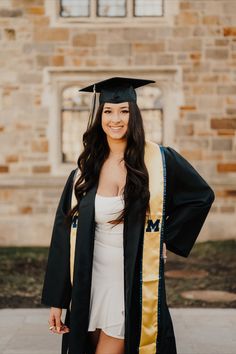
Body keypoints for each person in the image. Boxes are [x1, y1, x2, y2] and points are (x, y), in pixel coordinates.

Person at [41, 77, 215, 354]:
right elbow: (63, 234)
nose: (116, 119)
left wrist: (164, 238)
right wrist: (57, 300)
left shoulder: (160, 160)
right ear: (99, 116)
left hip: (129, 285)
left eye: (124, 111)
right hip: (89, 283)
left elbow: (200, 196)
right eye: (108, 111)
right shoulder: (86, 168)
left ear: (134, 114)